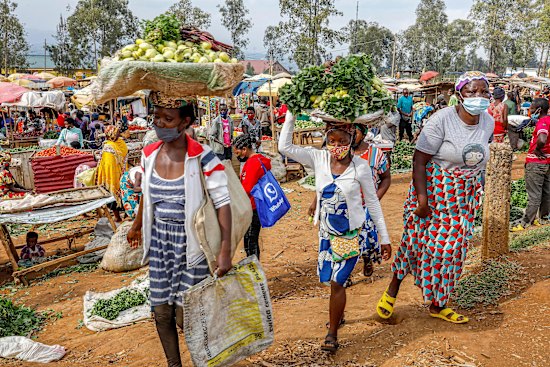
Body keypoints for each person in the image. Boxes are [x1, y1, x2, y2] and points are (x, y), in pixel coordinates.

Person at [377, 71, 494, 324]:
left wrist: (478, 190)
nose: (479, 97)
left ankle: (439, 303)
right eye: (472, 91)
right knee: (415, 244)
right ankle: (392, 290)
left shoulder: (488, 122)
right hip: (434, 191)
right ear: (459, 94)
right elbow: (419, 161)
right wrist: (422, 200)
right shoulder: (442, 120)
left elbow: (480, 161)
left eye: (484, 91)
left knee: (453, 251)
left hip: (463, 197)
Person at [127, 92, 232, 367]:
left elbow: (223, 204)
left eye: (168, 118)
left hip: (192, 246)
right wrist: (137, 225)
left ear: (185, 122)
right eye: (157, 117)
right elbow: (146, 196)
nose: (160, 123)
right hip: (161, 244)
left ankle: (207, 361)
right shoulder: (149, 154)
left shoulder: (203, 158)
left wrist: (225, 251)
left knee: (190, 315)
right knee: (161, 313)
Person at [279, 113, 391, 353]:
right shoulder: (318, 158)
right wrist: (291, 112)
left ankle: (332, 334)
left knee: (338, 281)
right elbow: (284, 146)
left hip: (350, 234)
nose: (337, 147)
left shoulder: (360, 166)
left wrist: (385, 238)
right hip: (326, 235)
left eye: (342, 141)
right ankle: (337, 315)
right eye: (332, 141)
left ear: (352, 139)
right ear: (326, 140)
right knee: (331, 281)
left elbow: (372, 204)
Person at [309, 123, 391, 280]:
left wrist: (374, 198)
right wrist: (315, 202)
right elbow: (327, 183)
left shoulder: (375, 154)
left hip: (366, 205)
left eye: (358, 132)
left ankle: (366, 260)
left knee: (368, 237)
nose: (338, 144)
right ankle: (341, 275)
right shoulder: (342, 153)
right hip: (344, 211)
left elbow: (386, 178)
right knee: (345, 243)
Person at [511, 98, 550, 231]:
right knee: (546, 192)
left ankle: (526, 222)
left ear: (539, 110)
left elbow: (542, 139)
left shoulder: (543, 122)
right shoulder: (548, 120)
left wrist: (538, 149)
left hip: (536, 163)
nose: (530, 111)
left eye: (532, 108)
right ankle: (543, 218)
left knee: (534, 194)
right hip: (547, 162)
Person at [234, 134, 271, 259]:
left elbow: (247, 189)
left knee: (250, 241)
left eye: (238, 152)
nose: (237, 155)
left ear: (245, 149)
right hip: (259, 205)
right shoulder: (260, 159)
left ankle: (255, 271)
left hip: (252, 207)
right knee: (252, 239)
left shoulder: (252, 164)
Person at [96, 125, 128, 222]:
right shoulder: (109, 146)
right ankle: (117, 216)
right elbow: (108, 163)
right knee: (114, 194)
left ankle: (127, 214)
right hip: (112, 175)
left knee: (124, 194)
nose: (119, 133)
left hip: (121, 172)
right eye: (117, 132)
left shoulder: (120, 143)